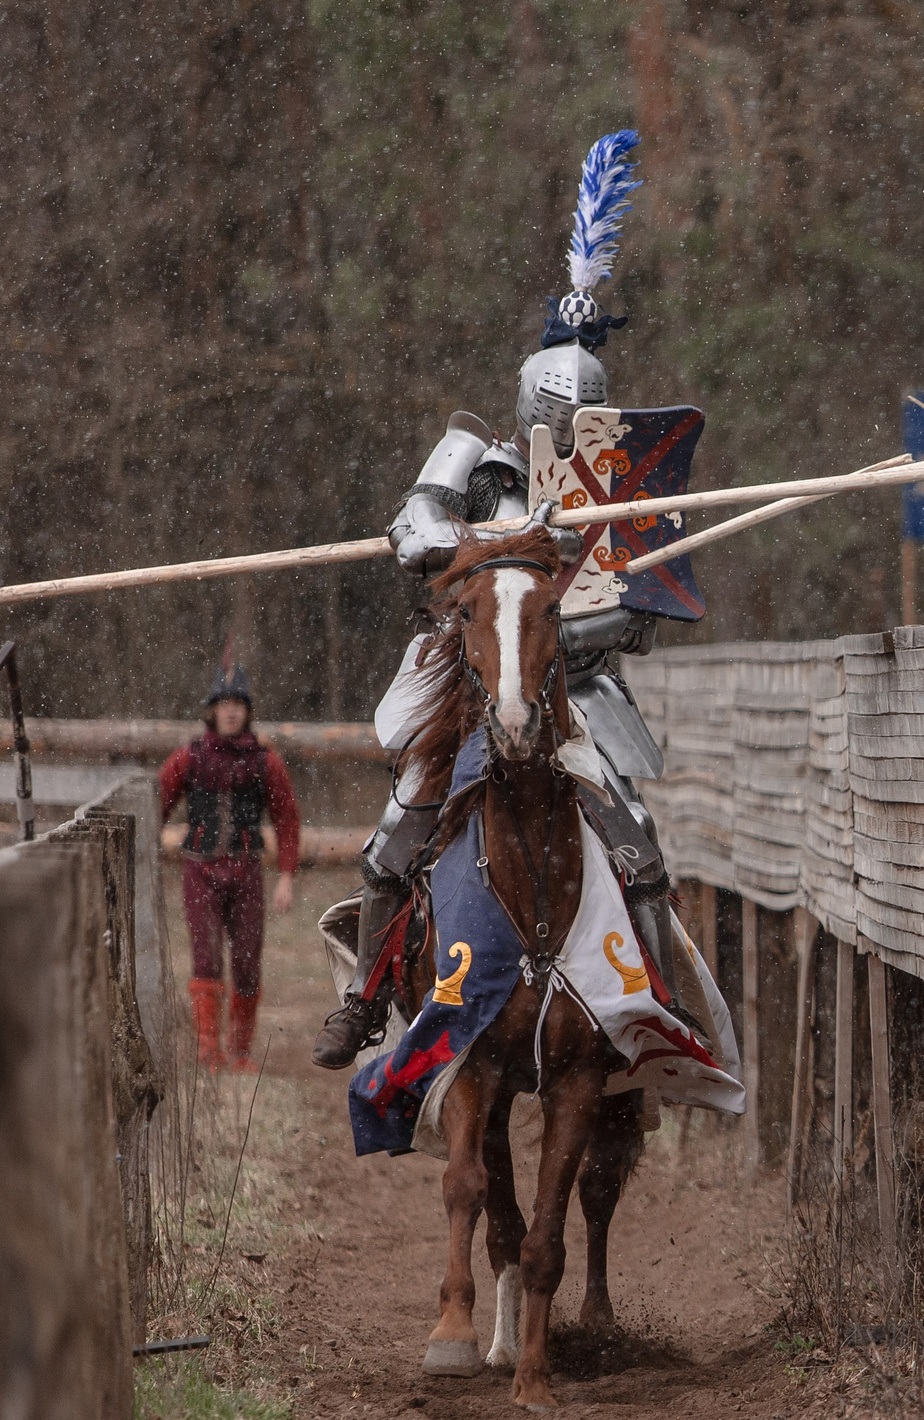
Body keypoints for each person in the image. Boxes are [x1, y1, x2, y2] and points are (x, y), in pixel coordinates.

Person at [311, 129, 684, 1070]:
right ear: (528, 413)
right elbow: (412, 533)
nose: (565, 435)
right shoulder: (475, 461)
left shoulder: (618, 492)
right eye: (556, 422)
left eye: (579, 422)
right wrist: (495, 549)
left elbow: (636, 615)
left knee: (634, 835)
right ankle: (364, 1000)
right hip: (471, 678)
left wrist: (567, 612)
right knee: (402, 822)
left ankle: (660, 1001)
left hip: (572, 685)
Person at [159, 658, 301, 1069]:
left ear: (247, 711)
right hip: (199, 871)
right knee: (205, 959)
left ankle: (240, 1052)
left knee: (247, 963)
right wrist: (144, 853)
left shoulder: (265, 762)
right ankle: (208, 1052)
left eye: (238, 703)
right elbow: (156, 805)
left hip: (246, 871)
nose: (231, 711)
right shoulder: (188, 757)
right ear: (213, 710)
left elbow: (287, 818)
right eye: (224, 703)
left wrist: (286, 877)